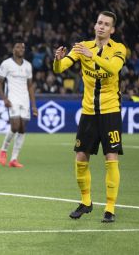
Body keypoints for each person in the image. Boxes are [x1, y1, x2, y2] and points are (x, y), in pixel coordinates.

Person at [53, 11, 126, 223]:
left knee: (111, 158)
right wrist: (57, 60)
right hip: (88, 113)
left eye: (106, 24)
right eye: (99, 23)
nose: (101, 26)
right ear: (95, 26)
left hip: (110, 110)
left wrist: (92, 56)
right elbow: (60, 68)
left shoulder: (119, 49)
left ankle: (110, 208)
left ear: (112, 29)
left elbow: (113, 68)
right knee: (81, 158)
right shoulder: (82, 46)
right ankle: (86, 202)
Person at [0, 38, 37, 168]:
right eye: (18, 47)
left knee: (22, 129)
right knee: (15, 126)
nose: (21, 50)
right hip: (12, 99)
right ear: (13, 49)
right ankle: (3, 149)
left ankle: (14, 159)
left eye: (23, 48)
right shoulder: (6, 64)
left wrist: (34, 105)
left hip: (25, 100)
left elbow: (30, 86)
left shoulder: (28, 66)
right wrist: (4, 99)